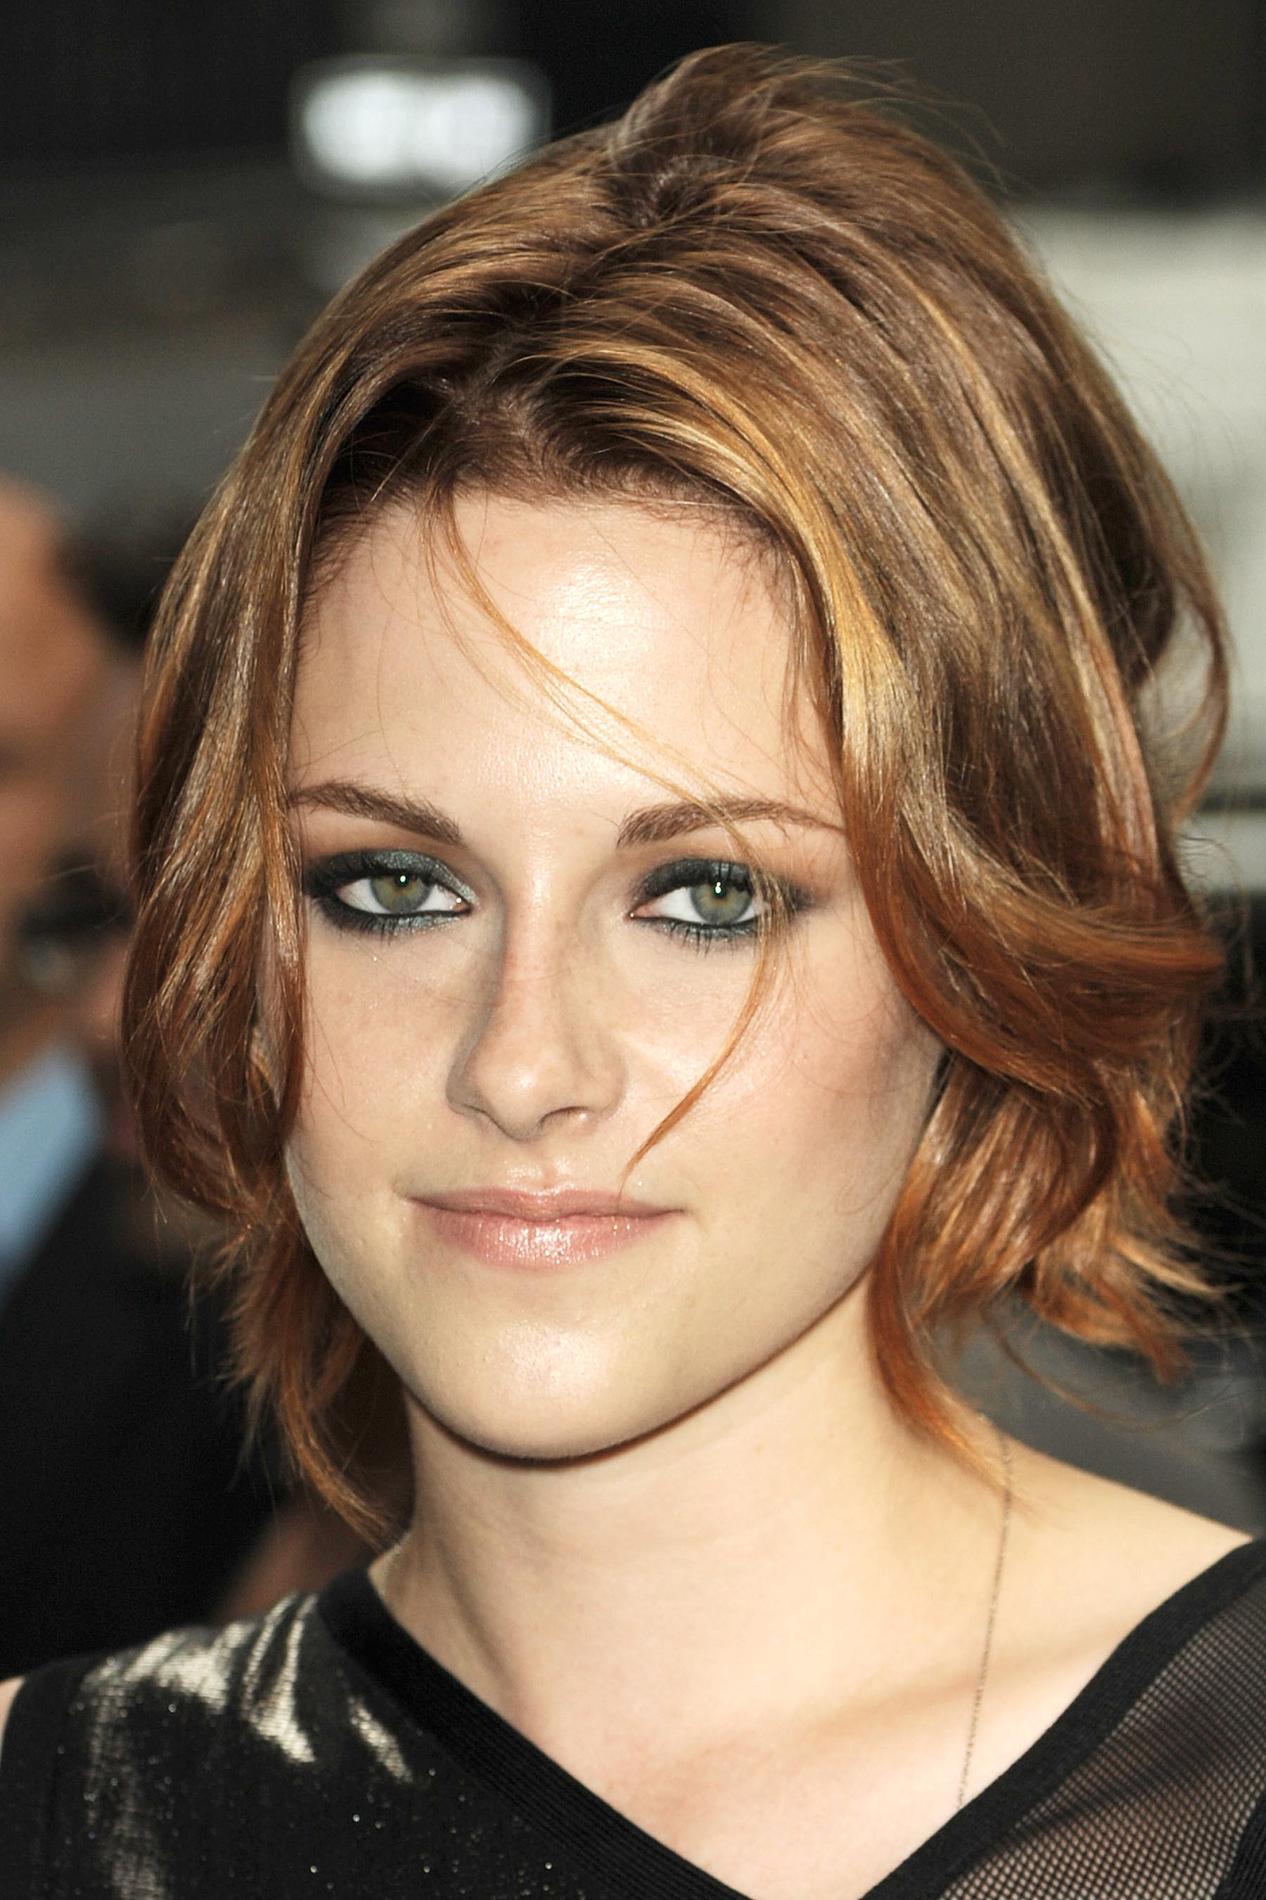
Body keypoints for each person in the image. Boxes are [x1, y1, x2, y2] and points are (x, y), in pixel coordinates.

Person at [1, 43, 1263, 1897]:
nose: (522, 1063)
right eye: (394, 888)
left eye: (706, 898)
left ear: (977, 939)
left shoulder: (1212, 1791)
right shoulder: (54, 1814)